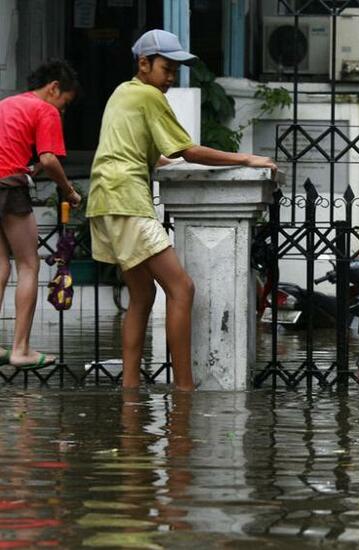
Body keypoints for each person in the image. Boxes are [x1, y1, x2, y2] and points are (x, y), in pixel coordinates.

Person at [87, 30, 276, 391]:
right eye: (166, 68)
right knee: (182, 288)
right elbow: (186, 151)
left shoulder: (122, 93)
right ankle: (185, 389)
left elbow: (140, 151)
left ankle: (130, 389)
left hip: (105, 199)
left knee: (142, 295)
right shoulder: (147, 95)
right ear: (144, 64)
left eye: (175, 70)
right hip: (126, 199)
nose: (171, 77)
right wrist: (247, 157)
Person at [0, 60, 82, 369]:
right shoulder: (45, 109)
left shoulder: (8, 103)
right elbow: (48, 159)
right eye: (65, 103)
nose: (62, 111)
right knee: (29, 264)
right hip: (9, 186)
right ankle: (21, 348)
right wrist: (69, 190)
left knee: (0, 265)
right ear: (54, 88)